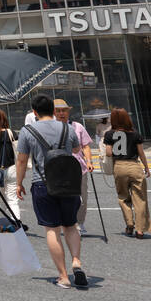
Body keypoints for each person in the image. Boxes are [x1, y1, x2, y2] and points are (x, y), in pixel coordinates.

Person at [16, 95, 87, 288]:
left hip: (43, 183)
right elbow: (76, 149)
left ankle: (63, 276)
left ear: (34, 112)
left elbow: (22, 160)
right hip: (69, 184)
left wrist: (19, 183)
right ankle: (76, 261)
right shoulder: (67, 127)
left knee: (52, 230)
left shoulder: (27, 130)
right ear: (54, 111)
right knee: (71, 226)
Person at [104, 108, 151, 238]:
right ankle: (140, 229)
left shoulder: (109, 134)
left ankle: (129, 223)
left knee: (123, 197)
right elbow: (141, 153)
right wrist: (146, 167)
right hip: (134, 165)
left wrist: (118, 151)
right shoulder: (135, 133)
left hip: (119, 166)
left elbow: (108, 153)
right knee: (140, 198)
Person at [53, 100, 93, 233]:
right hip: (57, 168)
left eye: (64, 110)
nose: (61, 113)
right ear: (53, 112)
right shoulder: (50, 128)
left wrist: (89, 161)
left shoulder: (77, 127)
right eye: (58, 111)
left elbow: (85, 146)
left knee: (82, 197)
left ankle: (80, 222)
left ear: (68, 111)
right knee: (60, 197)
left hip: (78, 168)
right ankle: (64, 222)